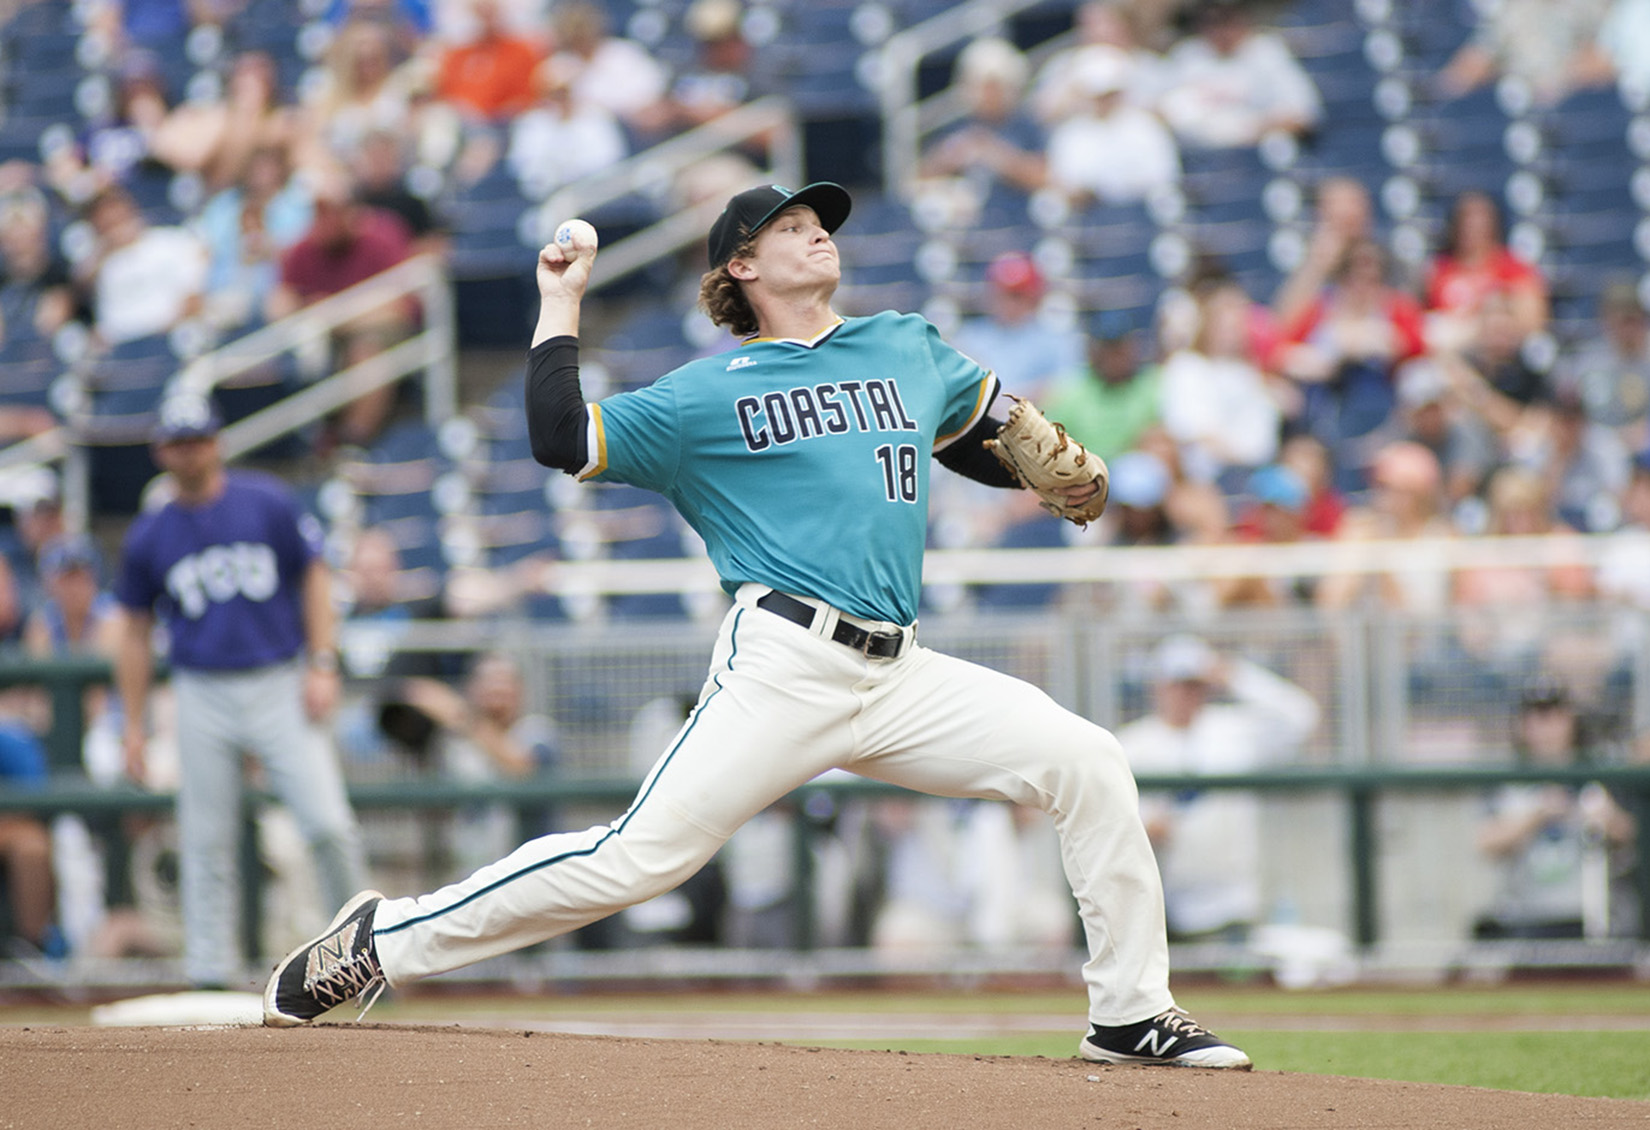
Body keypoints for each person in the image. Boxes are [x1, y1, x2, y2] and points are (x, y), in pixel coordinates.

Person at [263, 180, 1253, 1069]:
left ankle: (1129, 1011)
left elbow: (973, 433)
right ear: (742, 264)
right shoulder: (707, 395)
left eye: (819, 221)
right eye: (791, 224)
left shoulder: (904, 342)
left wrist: (1033, 461)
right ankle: (377, 940)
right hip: (785, 661)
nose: (816, 230)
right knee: (636, 857)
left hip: (901, 671)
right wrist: (559, 301)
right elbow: (561, 438)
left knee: (1086, 759)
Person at [113, 391, 370, 990]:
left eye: (197, 439)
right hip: (200, 686)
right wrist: (133, 723)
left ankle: (363, 955)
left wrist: (322, 662)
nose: (189, 452)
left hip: (278, 677)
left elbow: (314, 573)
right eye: (178, 442)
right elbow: (132, 629)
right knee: (205, 839)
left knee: (328, 823)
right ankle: (211, 973)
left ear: (217, 441)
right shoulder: (150, 534)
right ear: (161, 451)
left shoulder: (265, 502)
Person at [1116, 634, 1320, 942]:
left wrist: (1235, 674)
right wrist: (1146, 825)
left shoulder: (1232, 730)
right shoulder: (1133, 743)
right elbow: (1118, 816)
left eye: (1195, 685)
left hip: (1234, 901)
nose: (1186, 695)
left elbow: (1301, 717)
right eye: (1178, 685)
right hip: (1165, 903)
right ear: (1158, 686)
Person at [1474, 676, 1637, 939]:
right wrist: (1537, 815)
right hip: (1525, 918)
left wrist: (1604, 818)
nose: (1545, 728)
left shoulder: (1598, 773)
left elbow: (1630, 834)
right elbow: (1486, 843)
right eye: (1536, 718)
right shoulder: (1508, 781)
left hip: (1590, 917)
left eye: (1554, 717)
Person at [1042, 309, 1162, 463]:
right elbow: (1047, 443)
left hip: (1134, 472)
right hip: (1079, 473)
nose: (1113, 357)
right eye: (1106, 348)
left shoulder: (1152, 386)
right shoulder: (1071, 390)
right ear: (1093, 350)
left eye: (1119, 348)